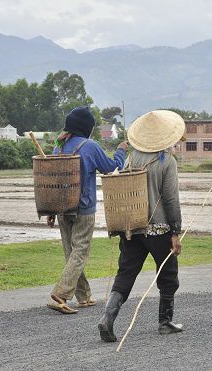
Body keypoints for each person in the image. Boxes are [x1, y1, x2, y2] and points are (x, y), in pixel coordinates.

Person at [98, 110, 184, 341]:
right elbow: (171, 199)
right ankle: (165, 322)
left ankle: (107, 318)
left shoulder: (131, 158)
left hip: (132, 228)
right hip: (158, 229)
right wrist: (176, 231)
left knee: (126, 273)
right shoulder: (167, 162)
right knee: (168, 275)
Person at [47, 106, 128, 314]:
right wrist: (121, 150)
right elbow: (111, 168)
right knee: (80, 252)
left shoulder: (59, 146)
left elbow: (52, 180)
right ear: (87, 128)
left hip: (62, 208)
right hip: (84, 208)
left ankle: (83, 297)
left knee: (71, 252)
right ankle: (61, 294)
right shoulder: (90, 146)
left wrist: (51, 211)